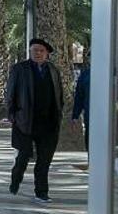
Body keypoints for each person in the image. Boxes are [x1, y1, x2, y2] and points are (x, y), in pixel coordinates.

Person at [6, 38, 64, 203]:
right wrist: (13, 116)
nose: (37, 53)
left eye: (41, 51)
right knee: (23, 157)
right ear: (30, 52)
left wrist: (59, 115)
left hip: (49, 124)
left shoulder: (53, 70)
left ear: (47, 54)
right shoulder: (20, 69)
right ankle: (15, 182)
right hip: (25, 122)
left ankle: (41, 192)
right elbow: (10, 94)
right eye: (34, 50)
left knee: (44, 160)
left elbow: (59, 94)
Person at [70, 52, 91, 159]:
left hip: (106, 117)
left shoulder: (108, 74)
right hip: (89, 117)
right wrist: (75, 116)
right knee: (89, 140)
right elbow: (79, 97)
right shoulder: (85, 75)